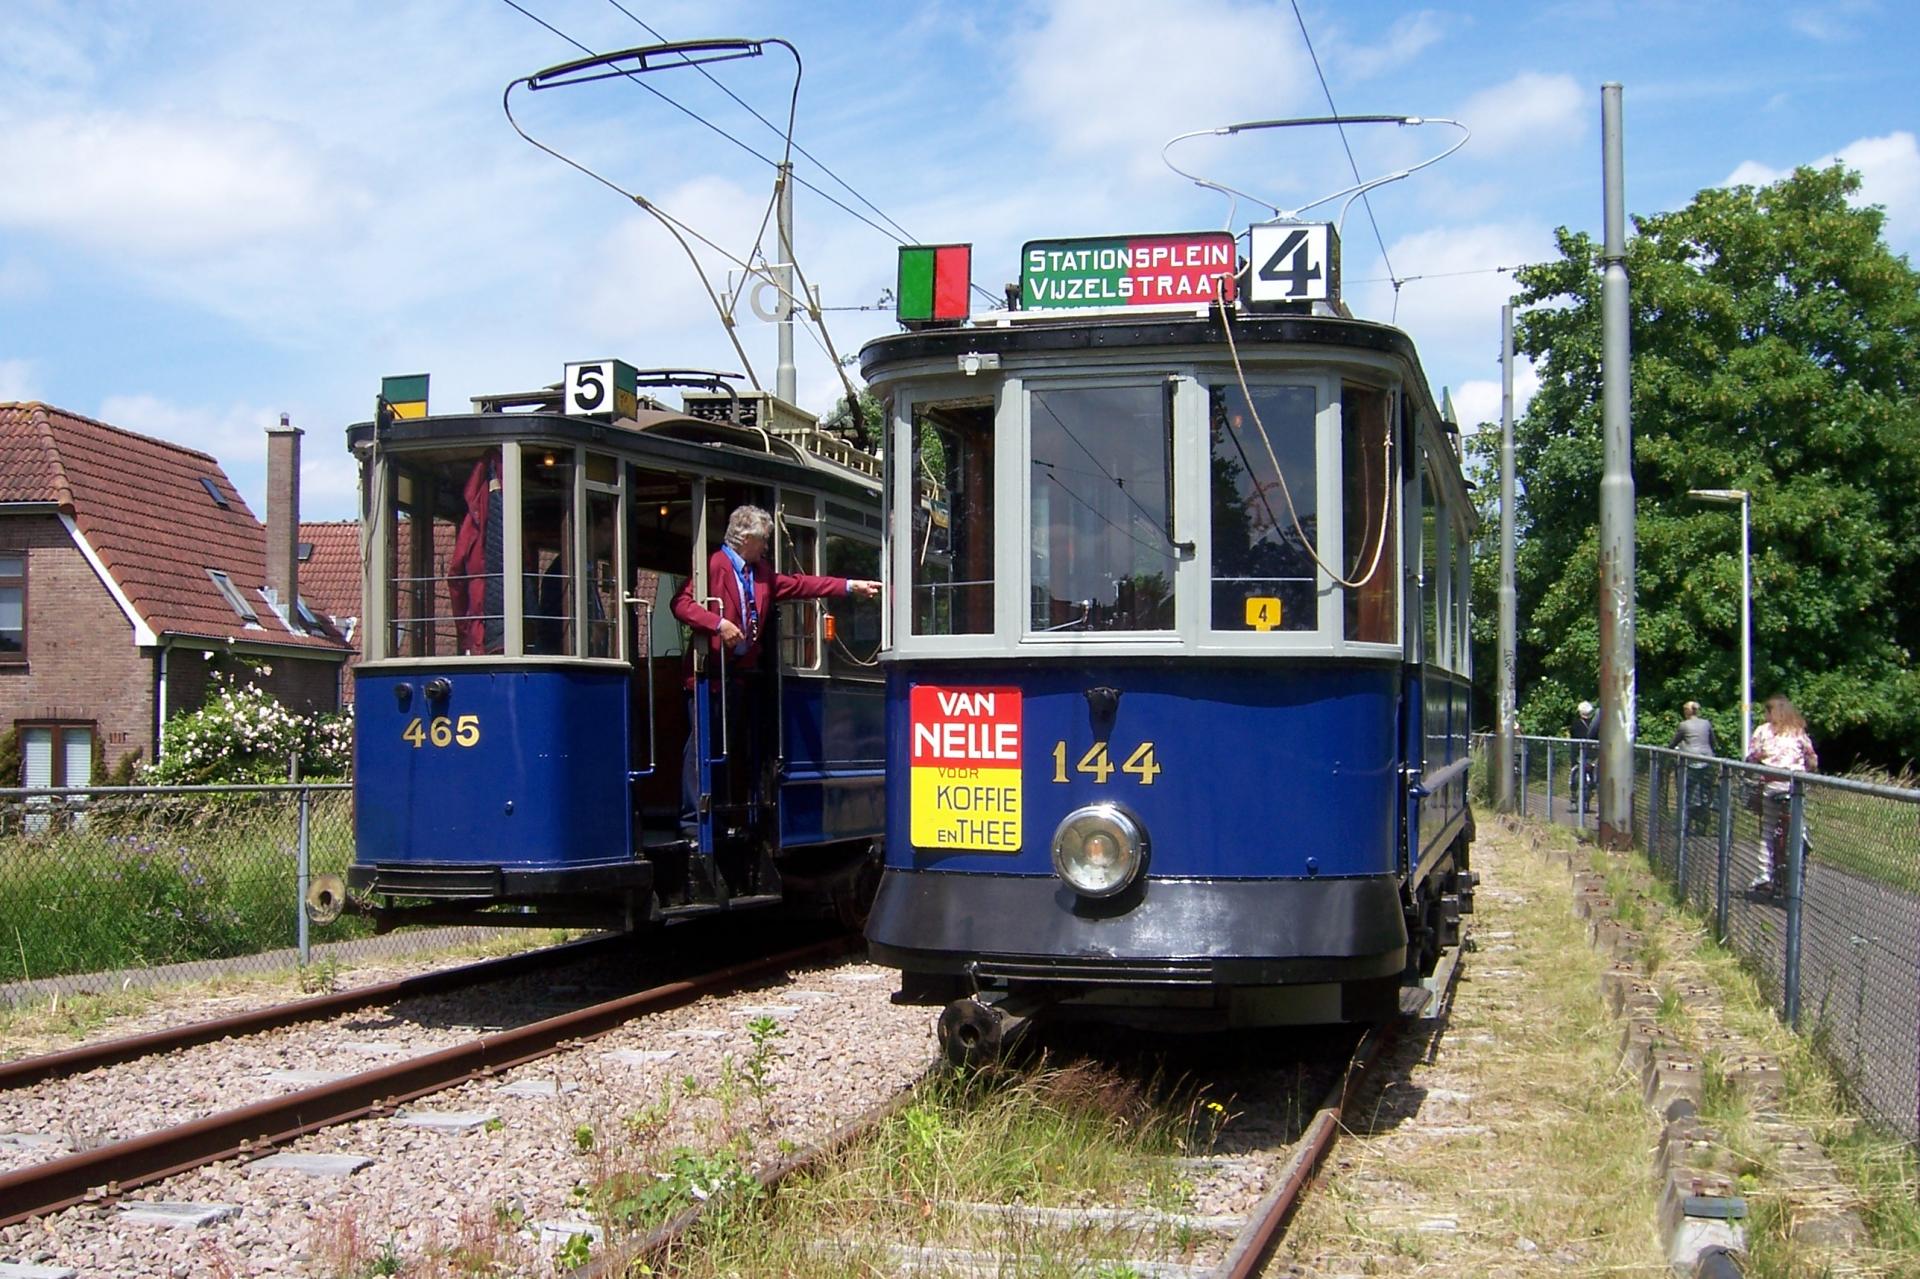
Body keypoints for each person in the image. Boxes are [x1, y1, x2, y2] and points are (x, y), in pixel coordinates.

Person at [670, 505, 882, 842]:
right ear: (748, 538)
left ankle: (718, 817)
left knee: (726, 748)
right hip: (708, 675)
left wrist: (849, 586)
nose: (766, 547)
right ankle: (694, 821)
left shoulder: (761, 573)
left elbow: (801, 585)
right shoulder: (715, 565)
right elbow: (681, 603)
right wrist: (719, 623)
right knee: (701, 748)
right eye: (764, 540)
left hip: (737, 677)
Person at [1745, 694, 1818, 894]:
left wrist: (1750, 769)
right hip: (1795, 786)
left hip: (1772, 785)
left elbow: (1752, 756)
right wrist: (1810, 770)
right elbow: (1811, 757)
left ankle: (1764, 874)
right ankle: (1802, 838)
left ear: (1771, 712)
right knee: (1797, 821)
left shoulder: (1763, 731)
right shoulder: (1797, 732)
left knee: (1767, 830)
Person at [1668, 700, 1717, 833]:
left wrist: (1669, 749)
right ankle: (1703, 824)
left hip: (1690, 763)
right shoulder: (1706, 723)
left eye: (1684, 709)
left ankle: (1683, 826)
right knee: (1705, 793)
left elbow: (1674, 742)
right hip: (1707, 761)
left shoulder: (1684, 725)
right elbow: (1713, 742)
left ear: (1687, 711)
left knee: (1686, 794)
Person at [1569, 700, 1599, 809]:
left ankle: (1573, 792)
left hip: (1577, 753)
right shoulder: (1595, 724)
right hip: (1593, 753)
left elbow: (1572, 735)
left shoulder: (1576, 724)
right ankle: (1591, 789)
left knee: (1574, 770)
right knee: (1593, 773)